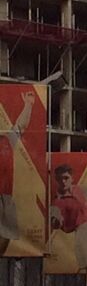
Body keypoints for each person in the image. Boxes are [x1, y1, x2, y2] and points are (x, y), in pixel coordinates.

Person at [0, 88, 35, 254]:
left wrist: (28, 105)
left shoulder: (6, 140)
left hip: (6, 197)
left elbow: (21, 125)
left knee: (6, 236)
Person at [49, 163, 87, 273]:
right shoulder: (58, 202)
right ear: (56, 180)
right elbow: (56, 221)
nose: (63, 181)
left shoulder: (78, 189)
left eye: (66, 178)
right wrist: (56, 221)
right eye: (59, 179)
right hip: (82, 229)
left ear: (72, 178)